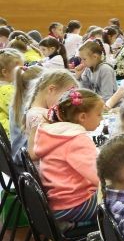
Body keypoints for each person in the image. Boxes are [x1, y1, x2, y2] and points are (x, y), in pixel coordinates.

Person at [35, 87, 105, 227]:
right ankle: (78, 226)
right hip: (73, 205)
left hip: (58, 202)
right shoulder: (77, 140)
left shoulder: (55, 134)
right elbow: (100, 177)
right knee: (120, 202)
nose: (102, 118)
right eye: (99, 114)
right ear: (82, 117)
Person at [0, 49, 24, 135]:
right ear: (4, 72)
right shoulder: (7, 90)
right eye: (19, 70)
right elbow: (20, 114)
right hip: (10, 134)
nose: (22, 72)